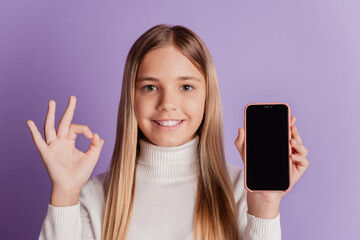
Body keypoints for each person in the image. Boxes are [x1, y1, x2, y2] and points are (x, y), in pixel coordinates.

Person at [27, 24, 309, 240]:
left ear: (207, 97)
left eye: (186, 87)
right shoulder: (94, 196)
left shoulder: (241, 191)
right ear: (131, 97)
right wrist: (64, 193)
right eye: (150, 87)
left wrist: (264, 206)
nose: (168, 104)